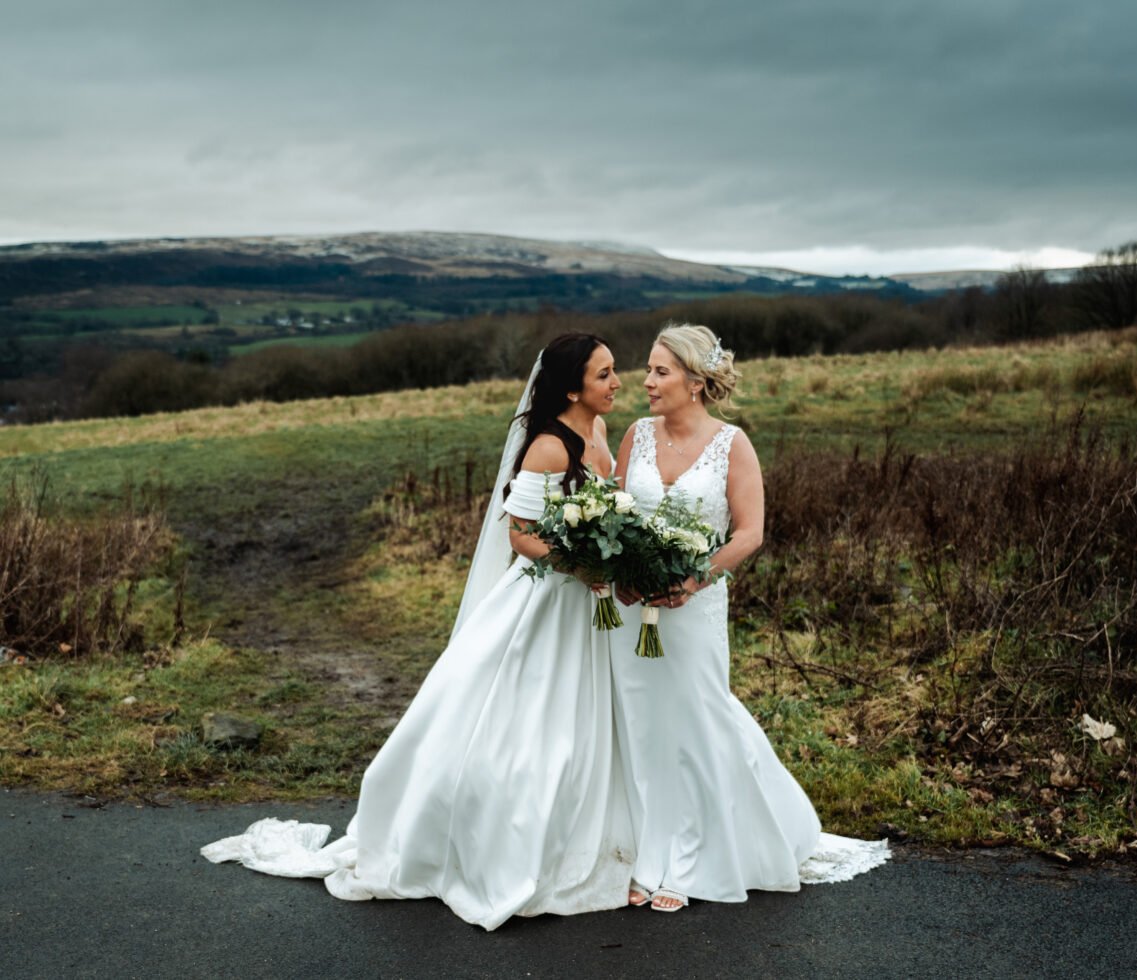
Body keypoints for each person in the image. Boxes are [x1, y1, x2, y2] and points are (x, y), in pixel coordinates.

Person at [202, 333, 636, 930]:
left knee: (583, 720)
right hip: (549, 600)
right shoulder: (548, 447)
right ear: (570, 388)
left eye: (614, 371)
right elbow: (520, 534)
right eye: (604, 373)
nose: (617, 382)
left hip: (590, 606)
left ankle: (589, 832)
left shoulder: (601, 433)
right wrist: (578, 563)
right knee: (529, 721)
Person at [610, 323, 888, 913]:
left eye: (660, 371)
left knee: (696, 721)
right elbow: (616, 514)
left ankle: (690, 861)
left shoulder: (731, 444)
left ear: (694, 380)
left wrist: (692, 579)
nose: (646, 381)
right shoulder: (635, 435)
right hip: (635, 609)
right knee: (640, 726)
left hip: (695, 606)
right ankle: (647, 854)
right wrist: (623, 573)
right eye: (649, 369)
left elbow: (749, 532)